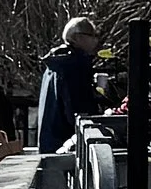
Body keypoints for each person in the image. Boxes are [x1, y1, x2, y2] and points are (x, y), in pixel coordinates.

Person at [34, 16, 104, 154]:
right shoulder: (73, 65)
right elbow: (77, 109)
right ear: (77, 37)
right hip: (66, 145)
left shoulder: (56, 63)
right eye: (92, 35)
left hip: (50, 142)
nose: (96, 40)